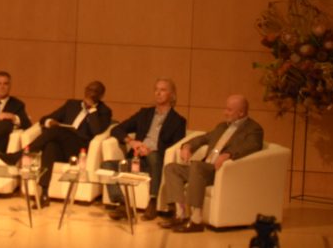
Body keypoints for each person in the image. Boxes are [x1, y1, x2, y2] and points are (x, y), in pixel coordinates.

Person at [159, 94, 264, 233]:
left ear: (241, 113)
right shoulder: (222, 126)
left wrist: (229, 154)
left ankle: (196, 220)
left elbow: (253, 145)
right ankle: (180, 215)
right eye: (225, 109)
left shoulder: (253, 129)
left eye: (229, 110)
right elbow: (204, 138)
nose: (225, 112)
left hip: (221, 170)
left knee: (196, 166)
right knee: (171, 168)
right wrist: (188, 146)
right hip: (204, 168)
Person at [7, 80, 112, 208]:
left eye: (95, 91)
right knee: (51, 146)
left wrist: (92, 110)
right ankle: (44, 193)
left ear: (101, 96)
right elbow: (44, 119)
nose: (91, 93)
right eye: (89, 89)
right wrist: (50, 122)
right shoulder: (71, 104)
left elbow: (97, 131)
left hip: (79, 150)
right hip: (62, 146)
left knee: (57, 131)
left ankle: (18, 155)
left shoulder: (104, 111)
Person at [102, 77, 186, 221]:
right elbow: (116, 129)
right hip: (137, 160)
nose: (158, 93)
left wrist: (151, 150)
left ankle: (152, 201)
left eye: (163, 90)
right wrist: (132, 142)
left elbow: (176, 147)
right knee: (106, 165)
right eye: (156, 89)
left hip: (157, 162)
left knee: (154, 156)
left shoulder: (178, 121)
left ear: (172, 95)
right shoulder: (144, 114)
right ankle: (122, 204)